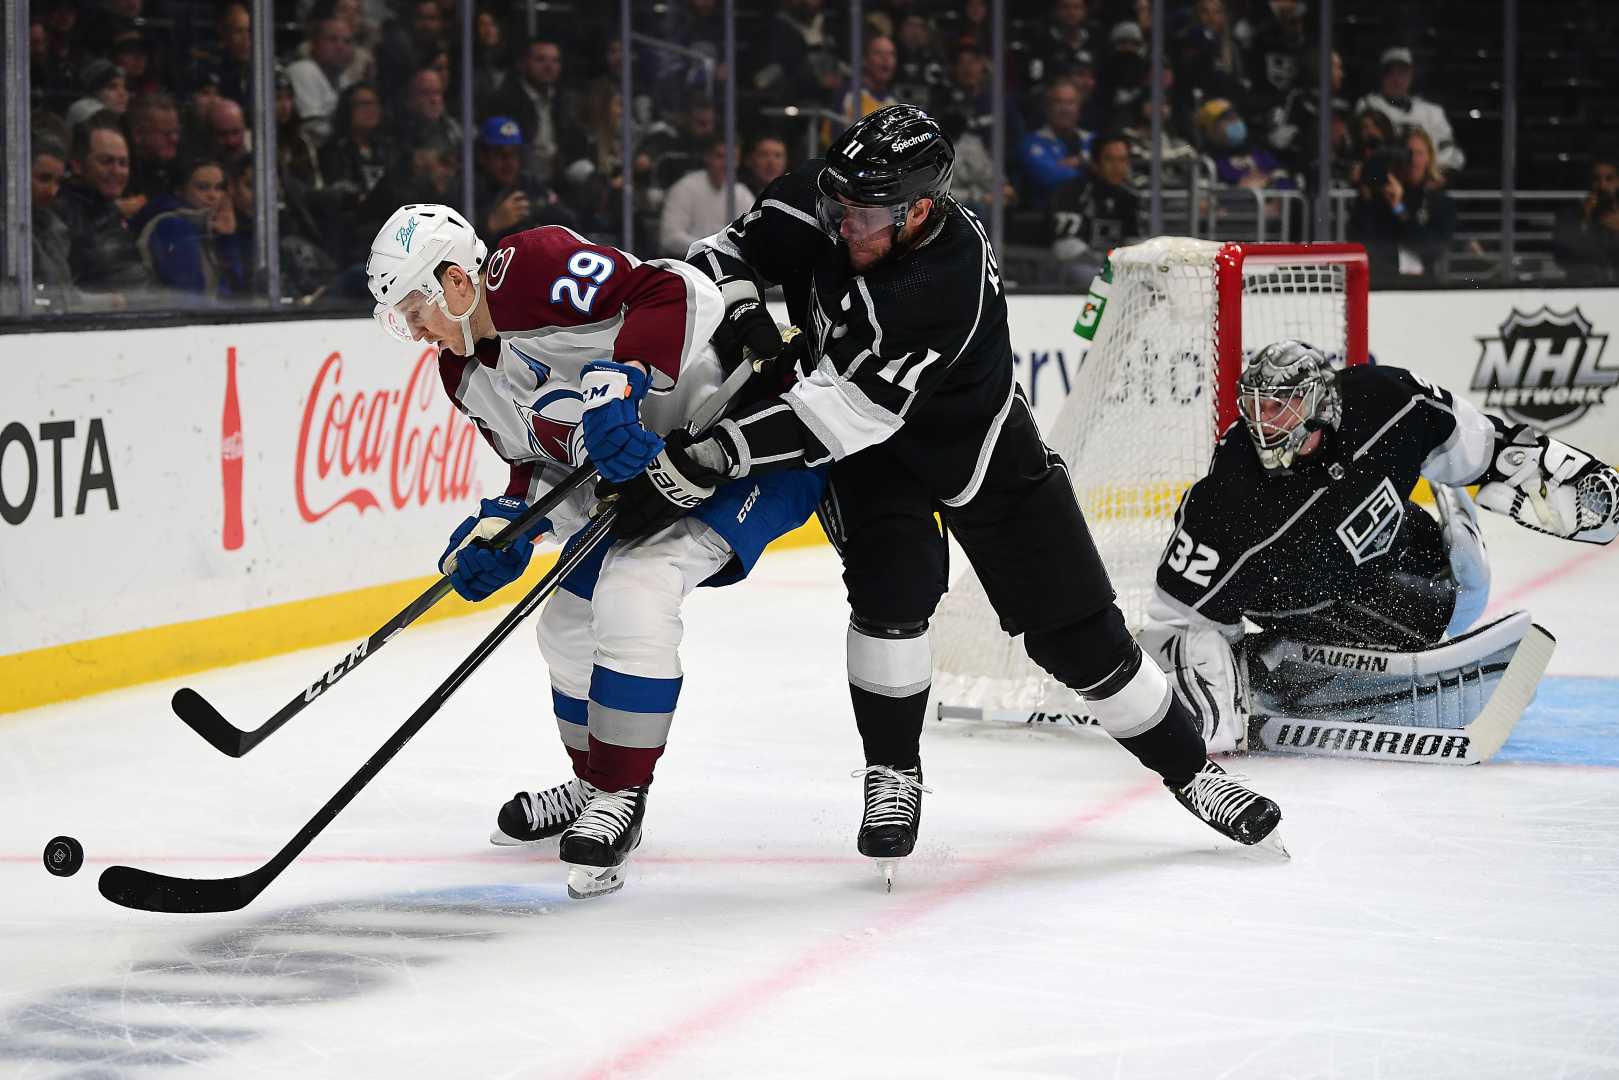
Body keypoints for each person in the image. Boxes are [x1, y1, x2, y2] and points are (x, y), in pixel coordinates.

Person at [674, 104, 1285, 877]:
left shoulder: (942, 278)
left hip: (980, 448)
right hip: (875, 462)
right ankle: (893, 774)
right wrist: (742, 318)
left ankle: (1192, 772)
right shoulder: (829, 196)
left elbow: (839, 415)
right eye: (838, 206)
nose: (842, 225)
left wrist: (718, 452)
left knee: (1081, 639)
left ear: (919, 211)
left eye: (863, 215)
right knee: (891, 596)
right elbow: (718, 255)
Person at [364, 206, 825, 898]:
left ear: (457, 283)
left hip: (744, 443)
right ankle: (592, 788)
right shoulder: (461, 374)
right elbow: (541, 464)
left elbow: (672, 290)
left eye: (415, 310)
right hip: (652, 480)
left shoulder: (530, 269)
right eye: (401, 320)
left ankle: (619, 797)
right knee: (566, 624)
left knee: (634, 590)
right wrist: (506, 526)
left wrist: (621, 378)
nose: (417, 331)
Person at [1139, 341, 1617, 752]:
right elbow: (1176, 612)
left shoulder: (1388, 399)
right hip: (1311, 593)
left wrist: (1538, 468)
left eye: (1278, 405)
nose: (1264, 423)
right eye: (1255, 407)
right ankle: (1268, 670)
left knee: (1454, 570)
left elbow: (1474, 444)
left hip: (1398, 538)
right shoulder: (1232, 497)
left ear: (1317, 403)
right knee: (1439, 614)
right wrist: (1190, 679)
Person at [1349, 124, 1455, 283]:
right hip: (1383, 280)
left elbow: (1433, 249)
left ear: (1429, 157)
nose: (1413, 160)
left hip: (1423, 285)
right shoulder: (1381, 194)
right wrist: (1367, 193)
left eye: (1419, 153)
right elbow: (1361, 238)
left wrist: (1399, 208)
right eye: (1409, 153)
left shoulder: (1439, 199)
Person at [137, 156, 248, 298]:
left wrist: (227, 239)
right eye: (203, 187)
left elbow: (236, 289)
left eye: (219, 188)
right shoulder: (172, 226)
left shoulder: (211, 227)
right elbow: (191, 297)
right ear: (180, 191)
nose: (213, 195)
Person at [1354, 47, 1464, 174]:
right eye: (1390, 73)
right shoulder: (1368, 105)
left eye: (1402, 73)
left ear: (1411, 76)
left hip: (1428, 179)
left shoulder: (1432, 112)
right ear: (1381, 76)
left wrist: (1436, 173)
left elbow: (1452, 152)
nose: (1396, 80)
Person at [1049, 132, 1140, 282]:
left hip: (1115, 270)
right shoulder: (1073, 192)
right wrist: (1104, 266)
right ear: (1095, 163)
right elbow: (1064, 248)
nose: (1117, 167)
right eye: (1109, 160)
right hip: (1077, 267)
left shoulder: (1130, 197)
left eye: (1122, 160)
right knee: (1083, 274)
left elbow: (1135, 242)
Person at [657, 138, 753, 257]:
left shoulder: (742, 194)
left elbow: (751, 238)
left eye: (732, 158)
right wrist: (713, 249)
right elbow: (669, 238)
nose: (726, 163)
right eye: (720, 156)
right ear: (707, 157)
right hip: (686, 265)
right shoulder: (684, 188)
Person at [1553, 154, 1619, 284]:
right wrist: (1584, 221)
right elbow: (1561, 256)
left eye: (1609, 178)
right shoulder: (1570, 215)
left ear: (1617, 181)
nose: (1602, 185)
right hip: (1584, 288)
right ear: (1589, 181)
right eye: (1596, 179)